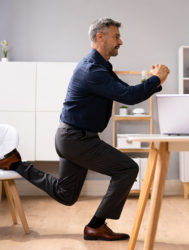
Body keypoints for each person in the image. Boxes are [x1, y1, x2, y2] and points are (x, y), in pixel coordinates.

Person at [0, 17, 170, 241]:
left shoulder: (101, 67)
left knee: (66, 194)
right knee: (127, 169)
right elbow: (130, 96)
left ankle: (15, 163)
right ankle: (96, 226)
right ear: (100, 37)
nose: (121, 42)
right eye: (116, 36)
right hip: (76, 139)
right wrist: (156, 79)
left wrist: (152, 82)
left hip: (73, 137)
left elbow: (127, 92)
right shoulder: (92, 70)